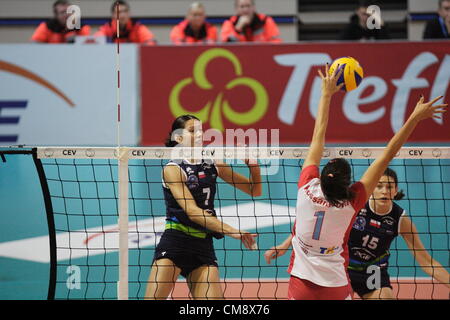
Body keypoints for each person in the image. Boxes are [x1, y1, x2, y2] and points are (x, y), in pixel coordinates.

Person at [264, 63, 446, 300]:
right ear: (348, 183)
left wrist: (325, 94)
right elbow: (388, 153)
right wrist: (414, 118)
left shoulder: (306, 186)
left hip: (301, 284)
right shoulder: (353, 202)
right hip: (337, 285)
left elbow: (318, 136)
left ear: (321, 176)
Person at [265, 168, 450, 299]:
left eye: (389, 186)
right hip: (343, 268)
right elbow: (316, 227)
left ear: (396, 190)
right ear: (371, 189)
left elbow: (427, 262)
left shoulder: (400, 219)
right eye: (379, 186)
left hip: (373, 271)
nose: (384, 190)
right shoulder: (355, 206)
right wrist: (284, 244)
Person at [145, 115, 262, 300]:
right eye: (192, 131)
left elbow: (254, 190)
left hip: (202, 245)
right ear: (179, 138)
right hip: (176, 241)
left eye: (201, 130)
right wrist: (234, 232)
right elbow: (192, 212)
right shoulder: (173, 169)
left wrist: (253, 165)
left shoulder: (212, 163)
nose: (199, 134)